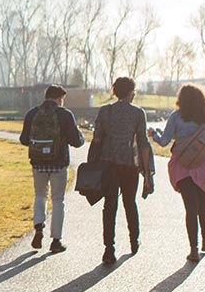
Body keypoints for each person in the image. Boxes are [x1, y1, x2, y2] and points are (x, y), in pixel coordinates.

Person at [150, 84, 205, 262]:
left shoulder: (176, 117)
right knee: (203, 206)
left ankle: (193, 249)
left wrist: (153, 134)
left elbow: (164, 142)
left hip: (182, 167)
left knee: (190, 209)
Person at [90, 77, 155, 264]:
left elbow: (97, 140)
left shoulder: (105, 111)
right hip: (129, 165)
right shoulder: (137, 113)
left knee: (109, 206)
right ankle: (134, 240)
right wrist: (147, 174)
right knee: (129, 202)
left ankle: (108, 249)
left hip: (108, 164)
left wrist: (92, 164)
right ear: (131, 92)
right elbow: (143, 144)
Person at [18, 84, 85, 253]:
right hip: (59, 163)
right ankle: (56, 240)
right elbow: (77, 141)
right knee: (57, 200)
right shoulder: (65, 114)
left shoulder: (32, 113)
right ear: (59, 98)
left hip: (38, 163)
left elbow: (24, 139)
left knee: (40, 195)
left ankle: (38, 226)